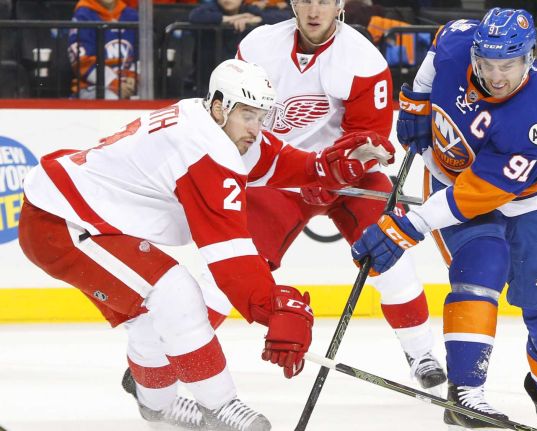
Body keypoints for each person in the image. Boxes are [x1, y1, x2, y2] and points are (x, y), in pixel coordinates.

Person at [19, 59, 395, 431]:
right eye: (247, 114)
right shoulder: (204, 150)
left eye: (261, 116)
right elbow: (229, 254)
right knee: (174, 293)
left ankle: (157, 405)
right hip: (62, 225)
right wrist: (274, 308)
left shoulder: (208, 122)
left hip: (83, 216)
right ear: (219, 106)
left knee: (157, 315)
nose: (256, 128)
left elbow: (274, 160)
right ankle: (220, 407)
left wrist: (328, 167)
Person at [352, 8, 537, 431]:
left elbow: (476, 194)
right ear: (475, 53)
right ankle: (464, 395)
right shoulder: (460, 40)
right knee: (481, 269)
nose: (496, 76)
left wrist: (411, 225)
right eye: (488, 64)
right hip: (448, 177)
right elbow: (437, 49)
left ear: (529, 58)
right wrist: (417, 101)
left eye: (508, 65)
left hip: (528, 198)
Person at [235, 0, 447, 392]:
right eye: (306, 0)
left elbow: (371, 142)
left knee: (390, 252)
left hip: (348, 180)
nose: (314, 10)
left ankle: (421, 353)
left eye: (324, 1)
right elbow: (239, 118)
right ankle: (179, 350)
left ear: (339, 5)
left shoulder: (362, 59)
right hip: (278, 176)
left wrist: (334, 171)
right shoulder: (258, 47)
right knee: (235, 260)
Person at [68, 0, 138, 99]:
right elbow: (83, 61)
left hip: (128, 84)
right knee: (112, 99)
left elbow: (143, 54)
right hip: (92, 87)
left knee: (147, 98)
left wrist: (134, 76)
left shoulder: (131, 15)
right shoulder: (83, 15)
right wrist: (113, 82)